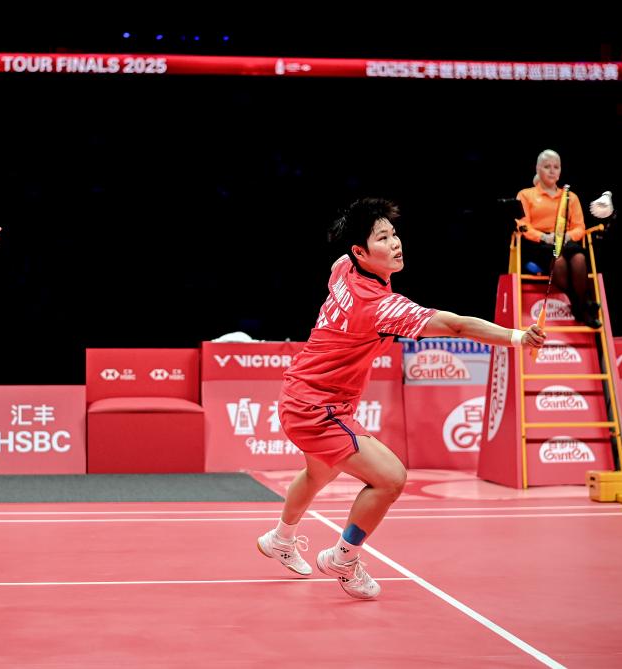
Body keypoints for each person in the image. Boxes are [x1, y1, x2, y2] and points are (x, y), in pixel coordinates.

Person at [256, 197, 544, 599]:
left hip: (300, 393)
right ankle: (343, 558)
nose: (395, 243)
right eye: (382, 238)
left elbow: (341, 265)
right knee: (390, 478)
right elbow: (456, 327)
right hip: (316, 408)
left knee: (320, 473)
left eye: (393, 235)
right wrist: (517, 336)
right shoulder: (381, 307)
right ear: (360, 252)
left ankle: (280, 539)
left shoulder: (343, 269)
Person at [515, 149, 600, 328]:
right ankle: (583, 305)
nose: (552, 171)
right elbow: (523, 225)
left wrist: (567, 235)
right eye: (547, 167)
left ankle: (579, 306)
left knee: (579, 258)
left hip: (566, 242)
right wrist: (544, 237)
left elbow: (579, 227)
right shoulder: (525, 195)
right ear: (538, 169)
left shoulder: (570, 197)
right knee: (559, 262)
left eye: (556, 167)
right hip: (539, 244)